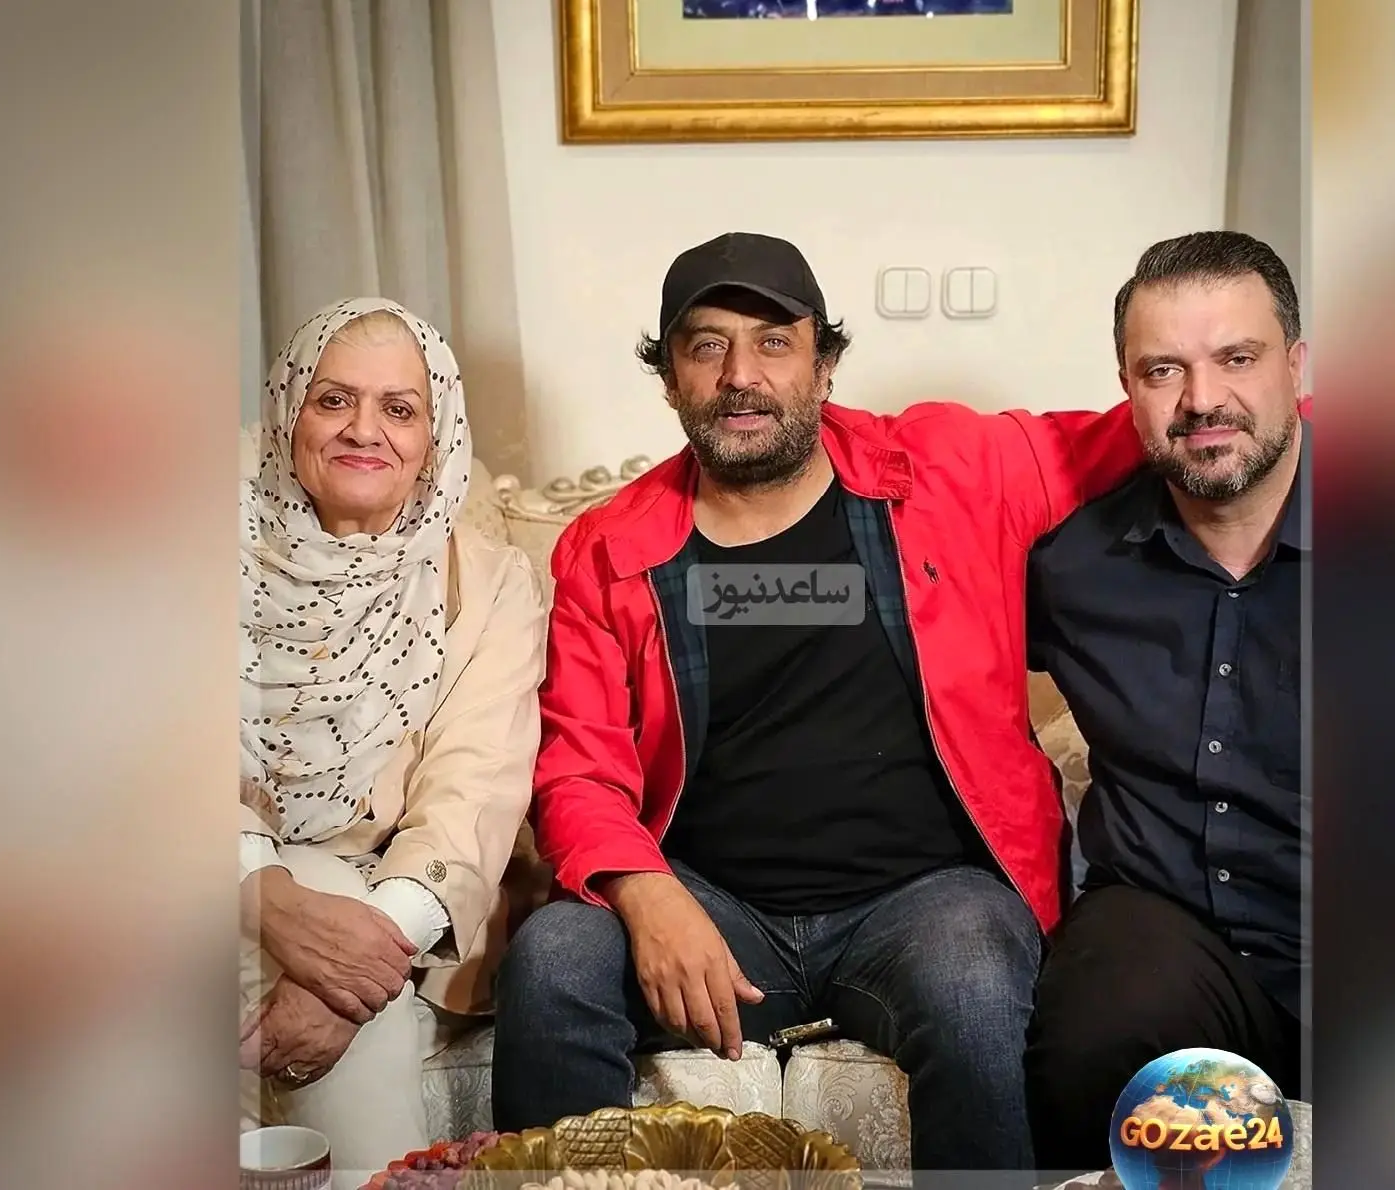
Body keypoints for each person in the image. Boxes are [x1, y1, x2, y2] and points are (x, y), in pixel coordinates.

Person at [490, 232, 1148, 1175]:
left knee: (971, 977)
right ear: (669, 380)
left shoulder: (951, 467)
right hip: (715, 905)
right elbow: (579, 768)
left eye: (773, 342)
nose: (740, 375)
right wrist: (645, 892)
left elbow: (1164, 423)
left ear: (823, 365)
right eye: (706, 346)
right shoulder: (608, 548)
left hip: (925, 900)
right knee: (553, 958)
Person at [238, 298, 545, 1184]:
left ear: (434, 436)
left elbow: (473, 788)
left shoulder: (490, 583)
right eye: (333, 399)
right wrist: (261, 894)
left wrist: (357, 964)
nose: (363, 430)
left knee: (336, 910)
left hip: (386, 892)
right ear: (288, 409)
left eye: (399, 409)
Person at [1023, 231, 1309, 1172]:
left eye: (1236, 358)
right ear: (1126, 388)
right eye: (1162, 370)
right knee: (1092, 1035)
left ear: (1295, 365)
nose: (1201, 400)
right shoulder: (1073, 567)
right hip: (1166, 921)